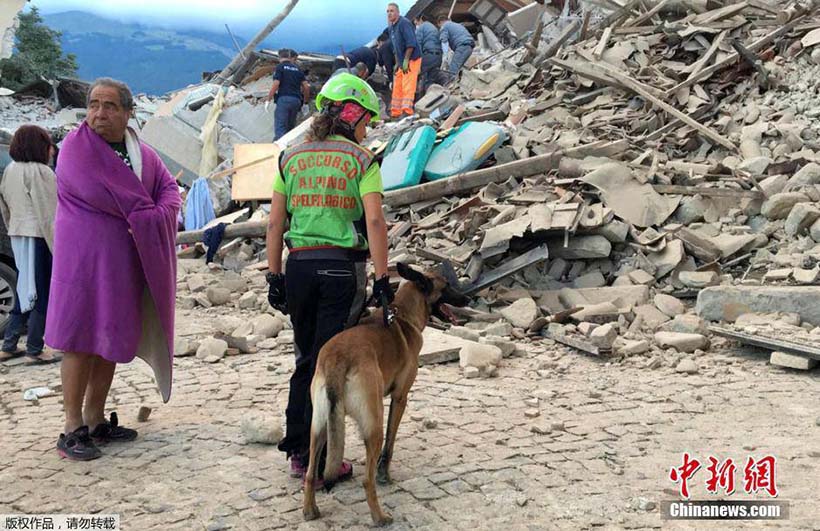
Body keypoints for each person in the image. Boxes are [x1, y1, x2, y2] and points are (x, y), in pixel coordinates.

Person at [265, 73, 393, 481]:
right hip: (342, 270)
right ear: (351, 113)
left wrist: (273, 276)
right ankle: (326, 462)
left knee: (306, 359)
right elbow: (374, 220)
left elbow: (274, 224)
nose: (367, 128)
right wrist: (384, 278)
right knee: (333, 365)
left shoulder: (291, 157)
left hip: (299, 267)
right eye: (366, 119)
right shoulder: (362, 159)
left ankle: (300, 452)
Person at [46, 78, 181, 461]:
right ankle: (71, 428)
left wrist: (158, 212)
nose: (99, 114)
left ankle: (95, 418)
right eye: (93, 105)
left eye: (109, 106)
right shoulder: (76, 149)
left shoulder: (140, 152)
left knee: (108, 339)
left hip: (122, 263)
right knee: (79, 340)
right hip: (84, 262)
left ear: (127, 112)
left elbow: (168, 189)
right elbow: (109, 195)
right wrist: (148, 212)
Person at [0, 125, 58, 364]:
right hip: (38, 236)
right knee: (41, 292)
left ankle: (10, 343)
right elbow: (49, 212)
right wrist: (56, 244)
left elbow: (5, 205)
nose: (52, 151)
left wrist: (14, 228)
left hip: (18, 233)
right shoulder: (41, 173)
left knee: (25, 288)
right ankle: (35, 347)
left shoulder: (11, 170)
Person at [265, 49, 311, 140]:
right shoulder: (298, 69)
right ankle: (289, 151)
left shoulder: (280, 67)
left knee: (280, 128)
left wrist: (268, 99)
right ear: (289, 57)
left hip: (284, 100)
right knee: (290, 129)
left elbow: (276, 84)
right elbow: (306, 87)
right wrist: (305, 103)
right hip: (297, 101)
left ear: (279, 57)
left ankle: (280, 151)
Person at [386, 3, 421, 118]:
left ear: (398, 12)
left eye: (391, 11)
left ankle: (407, 111)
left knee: (408, 84)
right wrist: (398, 63)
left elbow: (411, 44)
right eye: (387, 11)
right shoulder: (391, 27)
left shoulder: (404, 23)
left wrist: (406, 61)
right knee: (398, 85)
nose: (389, 13)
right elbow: (395, 47)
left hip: (412, 59)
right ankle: (396, 112)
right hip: (401, 60)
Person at [413, 14, 443, 93]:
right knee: (431, 80)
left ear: (420, 19)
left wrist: (417, 62)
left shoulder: (421, 28)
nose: (416, 25)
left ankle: (423, 100)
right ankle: (433, 97)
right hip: (438, 56)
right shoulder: (433, 27)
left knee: (423, 79)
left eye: (416, 23)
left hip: (429, 55)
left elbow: (417, 46)